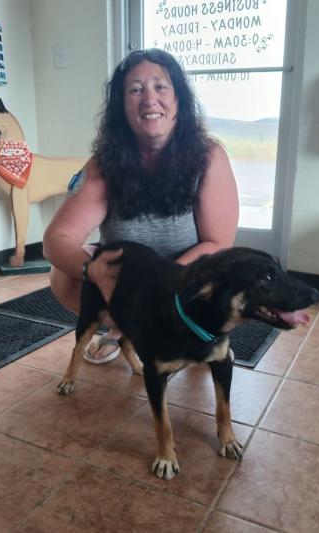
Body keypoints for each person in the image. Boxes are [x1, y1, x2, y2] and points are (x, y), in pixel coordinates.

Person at [43, 48, 239, 364]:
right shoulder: (103, 165)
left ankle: (197, 331)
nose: (149, 99)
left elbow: (217, 243)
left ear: (179, 100)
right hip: (129, 279)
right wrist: (94, 269)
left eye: (160, 87)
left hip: (185, 275)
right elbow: (56, 240)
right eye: (135, 90)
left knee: (219, 280)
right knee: (62, 274)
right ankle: (125, 328)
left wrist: (159, 283)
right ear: (122, 107)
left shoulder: (209, 156)